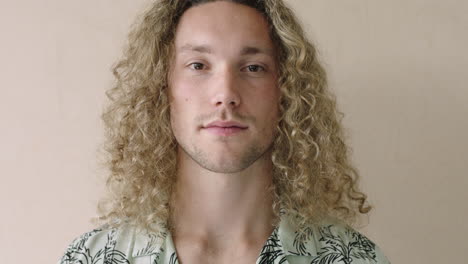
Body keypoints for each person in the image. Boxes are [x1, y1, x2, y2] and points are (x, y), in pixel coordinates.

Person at [58, 0, 390, 263]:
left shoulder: (353, 259)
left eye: (253, 68)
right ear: (161, 86)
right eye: (198, 65)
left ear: (286, 91)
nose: (226, 93)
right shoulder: (93, 258)